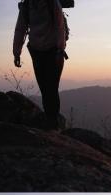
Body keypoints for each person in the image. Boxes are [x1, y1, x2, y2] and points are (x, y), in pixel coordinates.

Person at [13, 0, 68, 130]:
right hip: (37, 52)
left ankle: (52, 121)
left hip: (53, 52)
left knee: (51, 88)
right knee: (44, 87)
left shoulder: (52, 3)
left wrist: (60, 49)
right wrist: (16, 53)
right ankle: (51, 121)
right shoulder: (27, 6)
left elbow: (60, 26)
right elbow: (20, 29)